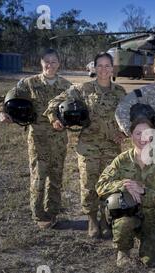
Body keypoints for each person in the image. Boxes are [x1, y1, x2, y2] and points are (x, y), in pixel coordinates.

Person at [44, 52, 126, 239]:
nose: (103, 69)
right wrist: (54, 118)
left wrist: (124, 132)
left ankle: (106, 220)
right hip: (88, 146)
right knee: (89, 185)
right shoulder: (83, 89)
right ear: (94, 68)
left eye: (107, 66)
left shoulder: (120, 92)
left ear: (112, 68)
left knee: (110, 185)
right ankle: (92, 219)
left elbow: (129, 115)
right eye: (100, 66)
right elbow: (54, 102)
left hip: (111, 147)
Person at [0, 48, 72, 229]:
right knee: (38, 176)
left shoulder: (67, 86)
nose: (50, 65)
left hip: (59, 138)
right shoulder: (29, 83)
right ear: (41, 63)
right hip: (37, 138)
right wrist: (2, 113)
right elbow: (5, 97)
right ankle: (38, 214)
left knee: (56, 176)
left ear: (59, 64)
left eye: (54, 61)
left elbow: (76, 107)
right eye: (46, 61)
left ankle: (52, 212)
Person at [96, 118, 155, 268]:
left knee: (150, 261)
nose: (142, 138)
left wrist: (143, 191)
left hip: (154, 215)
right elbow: (100, 186)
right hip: (127, 212)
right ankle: (123, 250)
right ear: (131, 136)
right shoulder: (122, 160)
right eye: (138, 133)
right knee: (123, 221)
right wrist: (123, 184)